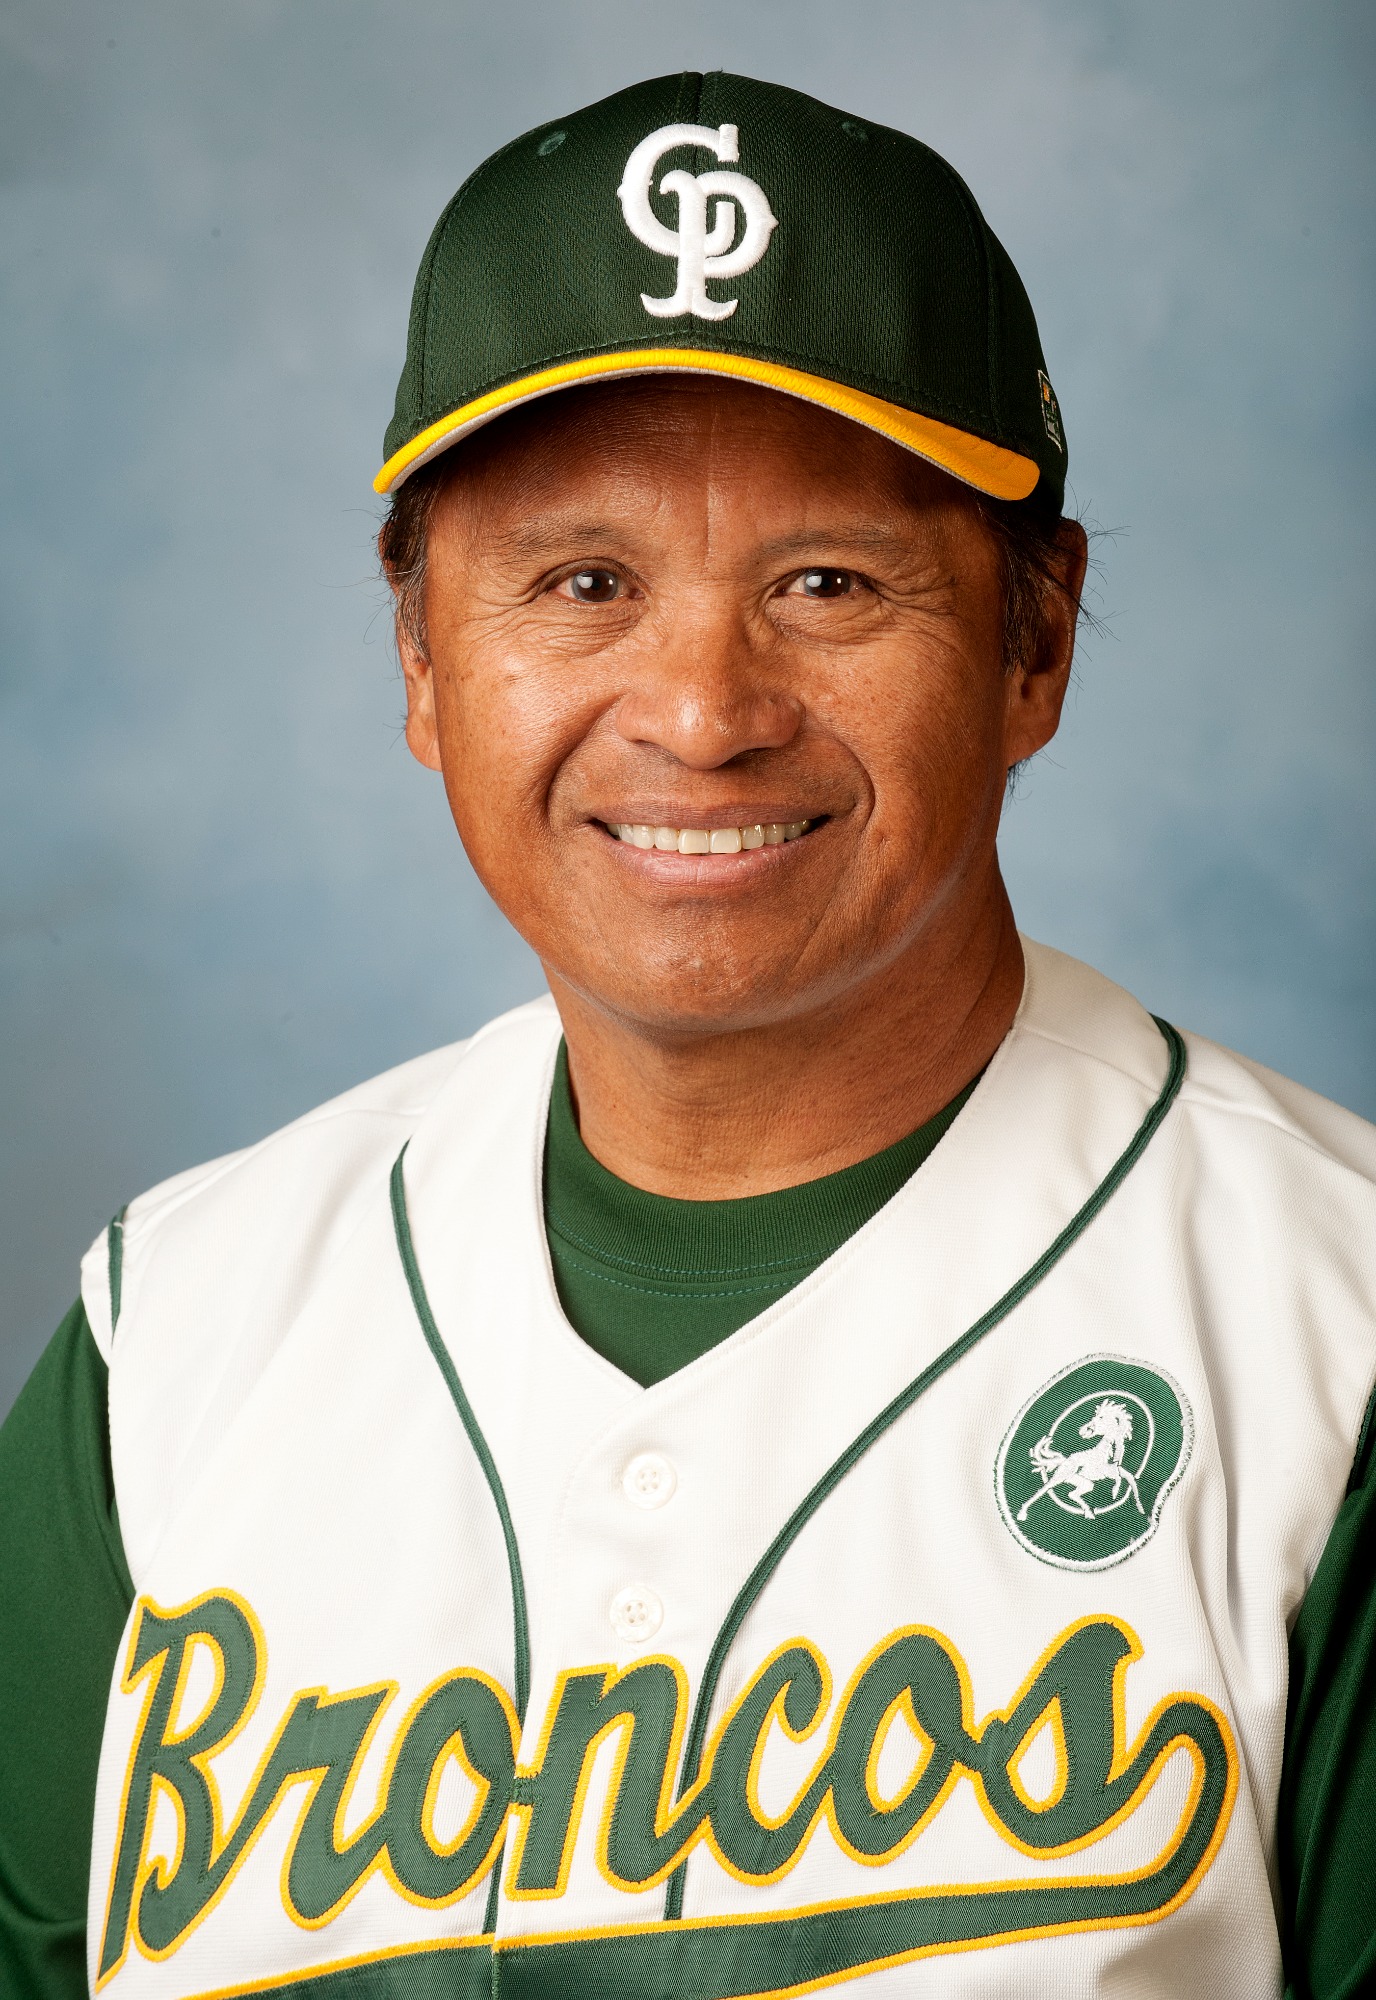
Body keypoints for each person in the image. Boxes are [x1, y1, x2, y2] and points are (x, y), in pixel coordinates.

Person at [1, 70, 1372, 2000]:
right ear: (419, 659)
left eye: (827, 582)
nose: (704, 711)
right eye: (583, 583)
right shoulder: (173, 1341)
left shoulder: (1339, 1327)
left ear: (1033, 642)